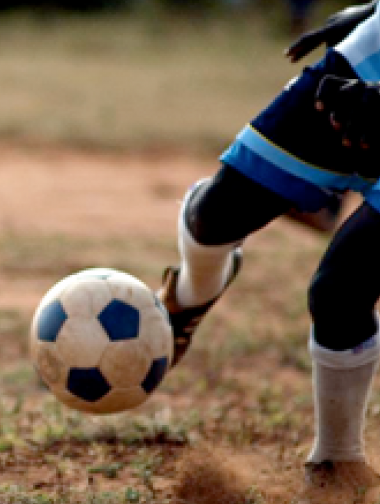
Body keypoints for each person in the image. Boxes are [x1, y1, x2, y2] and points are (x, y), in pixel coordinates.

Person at [156, 1, 380, 502]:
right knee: (217, 212)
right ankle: (187, 299)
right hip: (372, 60)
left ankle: (337, 464)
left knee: (342, 288)